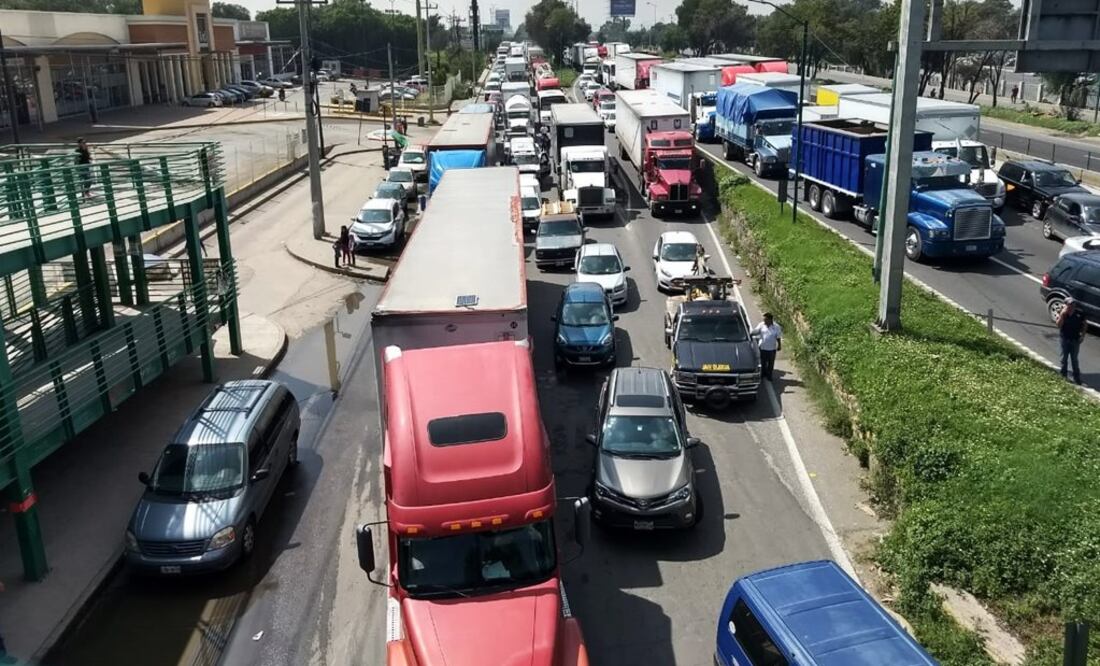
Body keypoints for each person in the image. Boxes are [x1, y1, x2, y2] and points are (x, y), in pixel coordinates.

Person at [1057, 297, 1087, 384]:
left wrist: (1082, 336)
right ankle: (1063, 376)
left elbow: (1085, 324)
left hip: (1075, 339)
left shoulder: (1080, 313)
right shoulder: (1062, 312)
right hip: (1065, 338)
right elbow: (1058, 325)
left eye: (1073, 305)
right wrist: (1062, 315)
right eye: (1069, 305)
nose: (1071, 307)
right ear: (1065, 305)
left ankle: (1076, 378)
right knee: (1063, 358)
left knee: (1074, 359)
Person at [752, 313, 783, 381]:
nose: (764, 321)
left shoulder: (776, 327)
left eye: (765, 319)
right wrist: (750, 333)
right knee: (762, 362)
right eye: (764, 319)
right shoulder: (761, 325)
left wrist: (779, 345)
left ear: (770, 319)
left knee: (771, 363)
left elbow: (778, 337)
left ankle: (769, 376)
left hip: (771, 349)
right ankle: (763, 374)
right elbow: (756, 331)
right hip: (762, 347)